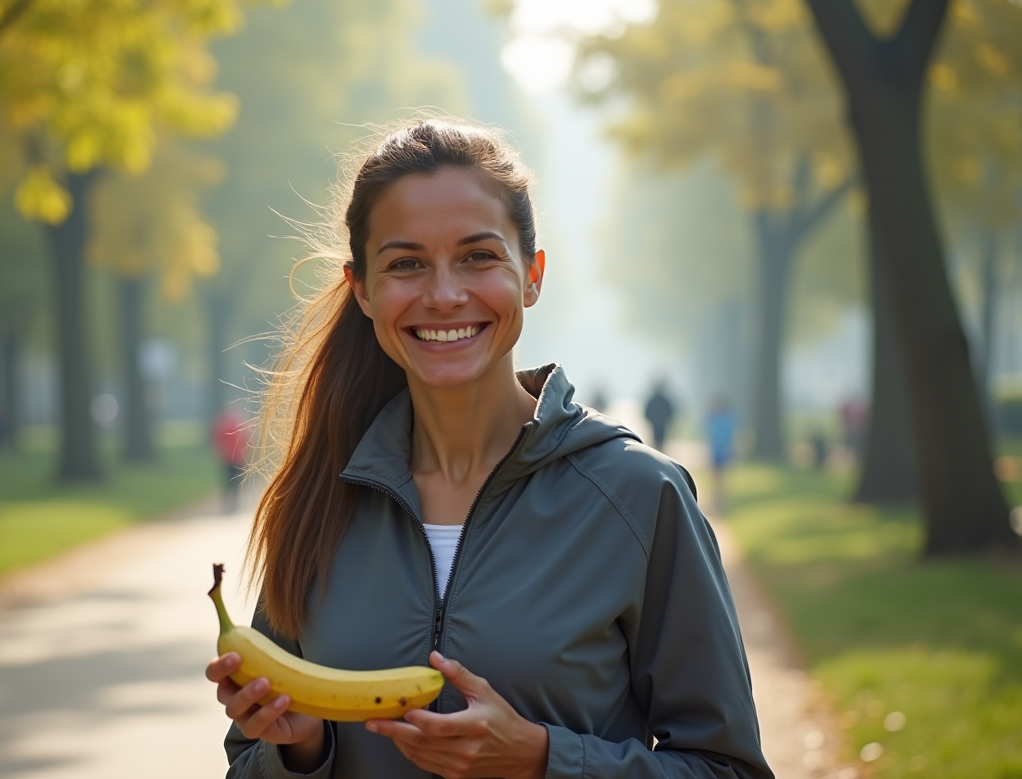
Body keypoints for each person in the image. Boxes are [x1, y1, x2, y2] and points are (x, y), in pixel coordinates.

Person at [206, 119, 772, 779]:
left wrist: (542, 760)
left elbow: (728, 770)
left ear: (531, 275)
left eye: (478, 257)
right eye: (406, 264)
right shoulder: (318, 500)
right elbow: (247, 766)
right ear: (362, 289)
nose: (444, 295)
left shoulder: (640, 498)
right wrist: (299, 750)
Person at [212, 405, 250, 511]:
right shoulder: (239, 422)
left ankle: (227, 502)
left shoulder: (222, 423)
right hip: (237, 456)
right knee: (237, 479)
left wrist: (219, 453)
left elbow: (216, 440)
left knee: (227, 480)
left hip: (227, 457)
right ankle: (234, 502)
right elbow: (245, 439)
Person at [705, 396, 738, 514]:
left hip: (723, 452)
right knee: (715, 477)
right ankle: (716, 500)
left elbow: (730, 435)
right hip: (715, 452)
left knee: (722, 477)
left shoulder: (727, 419)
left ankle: (722, 501)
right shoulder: (712, 418)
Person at [643, 378, 676, 452]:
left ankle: (657, 451)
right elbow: (670, 412)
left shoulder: (652, 399)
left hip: (656, 424)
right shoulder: (664, 400)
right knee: (661, 440)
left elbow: (646, 412)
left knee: (656, 439)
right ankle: (660, 451)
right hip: (661, 424)